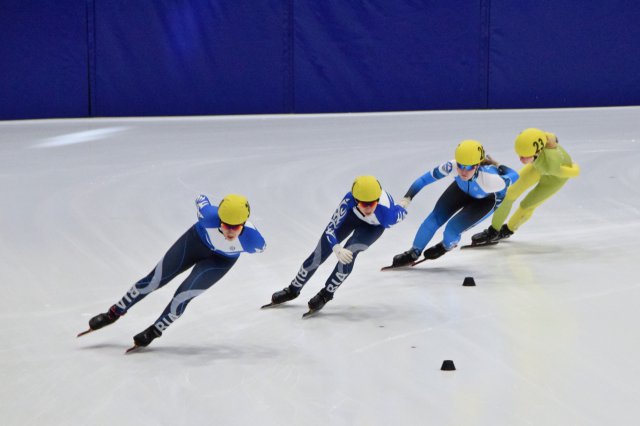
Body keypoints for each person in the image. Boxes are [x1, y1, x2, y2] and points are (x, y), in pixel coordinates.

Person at [79, 194, 265, 349]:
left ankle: (155, 330)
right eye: (225, 226)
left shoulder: (255, 241)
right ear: (219, 219)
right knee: (155, 279)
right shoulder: (208, 215)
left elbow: (261, 248)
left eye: (236, 227)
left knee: (184, 294)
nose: (230, 232)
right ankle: (113, 312)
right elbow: (201, 198)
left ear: (244, 223)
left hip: (221, 260)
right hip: (194, 243)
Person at [267, 175, 407, 314]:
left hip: (373, 228)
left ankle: (326, 294)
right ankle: (293, 289)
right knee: (319, 253)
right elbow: (331, 229)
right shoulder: (349, 200)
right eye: (364, 204)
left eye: (373, 203)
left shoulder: (388, 215)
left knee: (350, 250)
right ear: (356, 200)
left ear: (378, 200)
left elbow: (402, 208)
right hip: (352, 218)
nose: (369, 208)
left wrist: (405, 202)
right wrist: (336, 247)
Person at [391, 140, 519, 267]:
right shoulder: (451, 167)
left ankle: (447, 245)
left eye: (468, 167)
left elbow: (515, 175)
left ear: (477, 165)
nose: (463, 171)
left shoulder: (491, 181)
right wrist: (406, 200)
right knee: (433, 218)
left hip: (486, 200)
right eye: (460, 165)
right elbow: (424, 180)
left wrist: (500, 166)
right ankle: (414, 252)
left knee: (451, 230)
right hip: (461, 190)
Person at [471, 128, 580, 244]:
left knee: (527, 205)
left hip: (555, 176)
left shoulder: (551, 163)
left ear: (536, 152)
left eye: (524, 156)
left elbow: (574, 172)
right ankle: (493, 231)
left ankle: (508, 229)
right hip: (538, 167)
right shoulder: (539, 144)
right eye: (519, 155)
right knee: (509, 193)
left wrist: (574, 166)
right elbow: (548, 136)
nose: (520, 159)